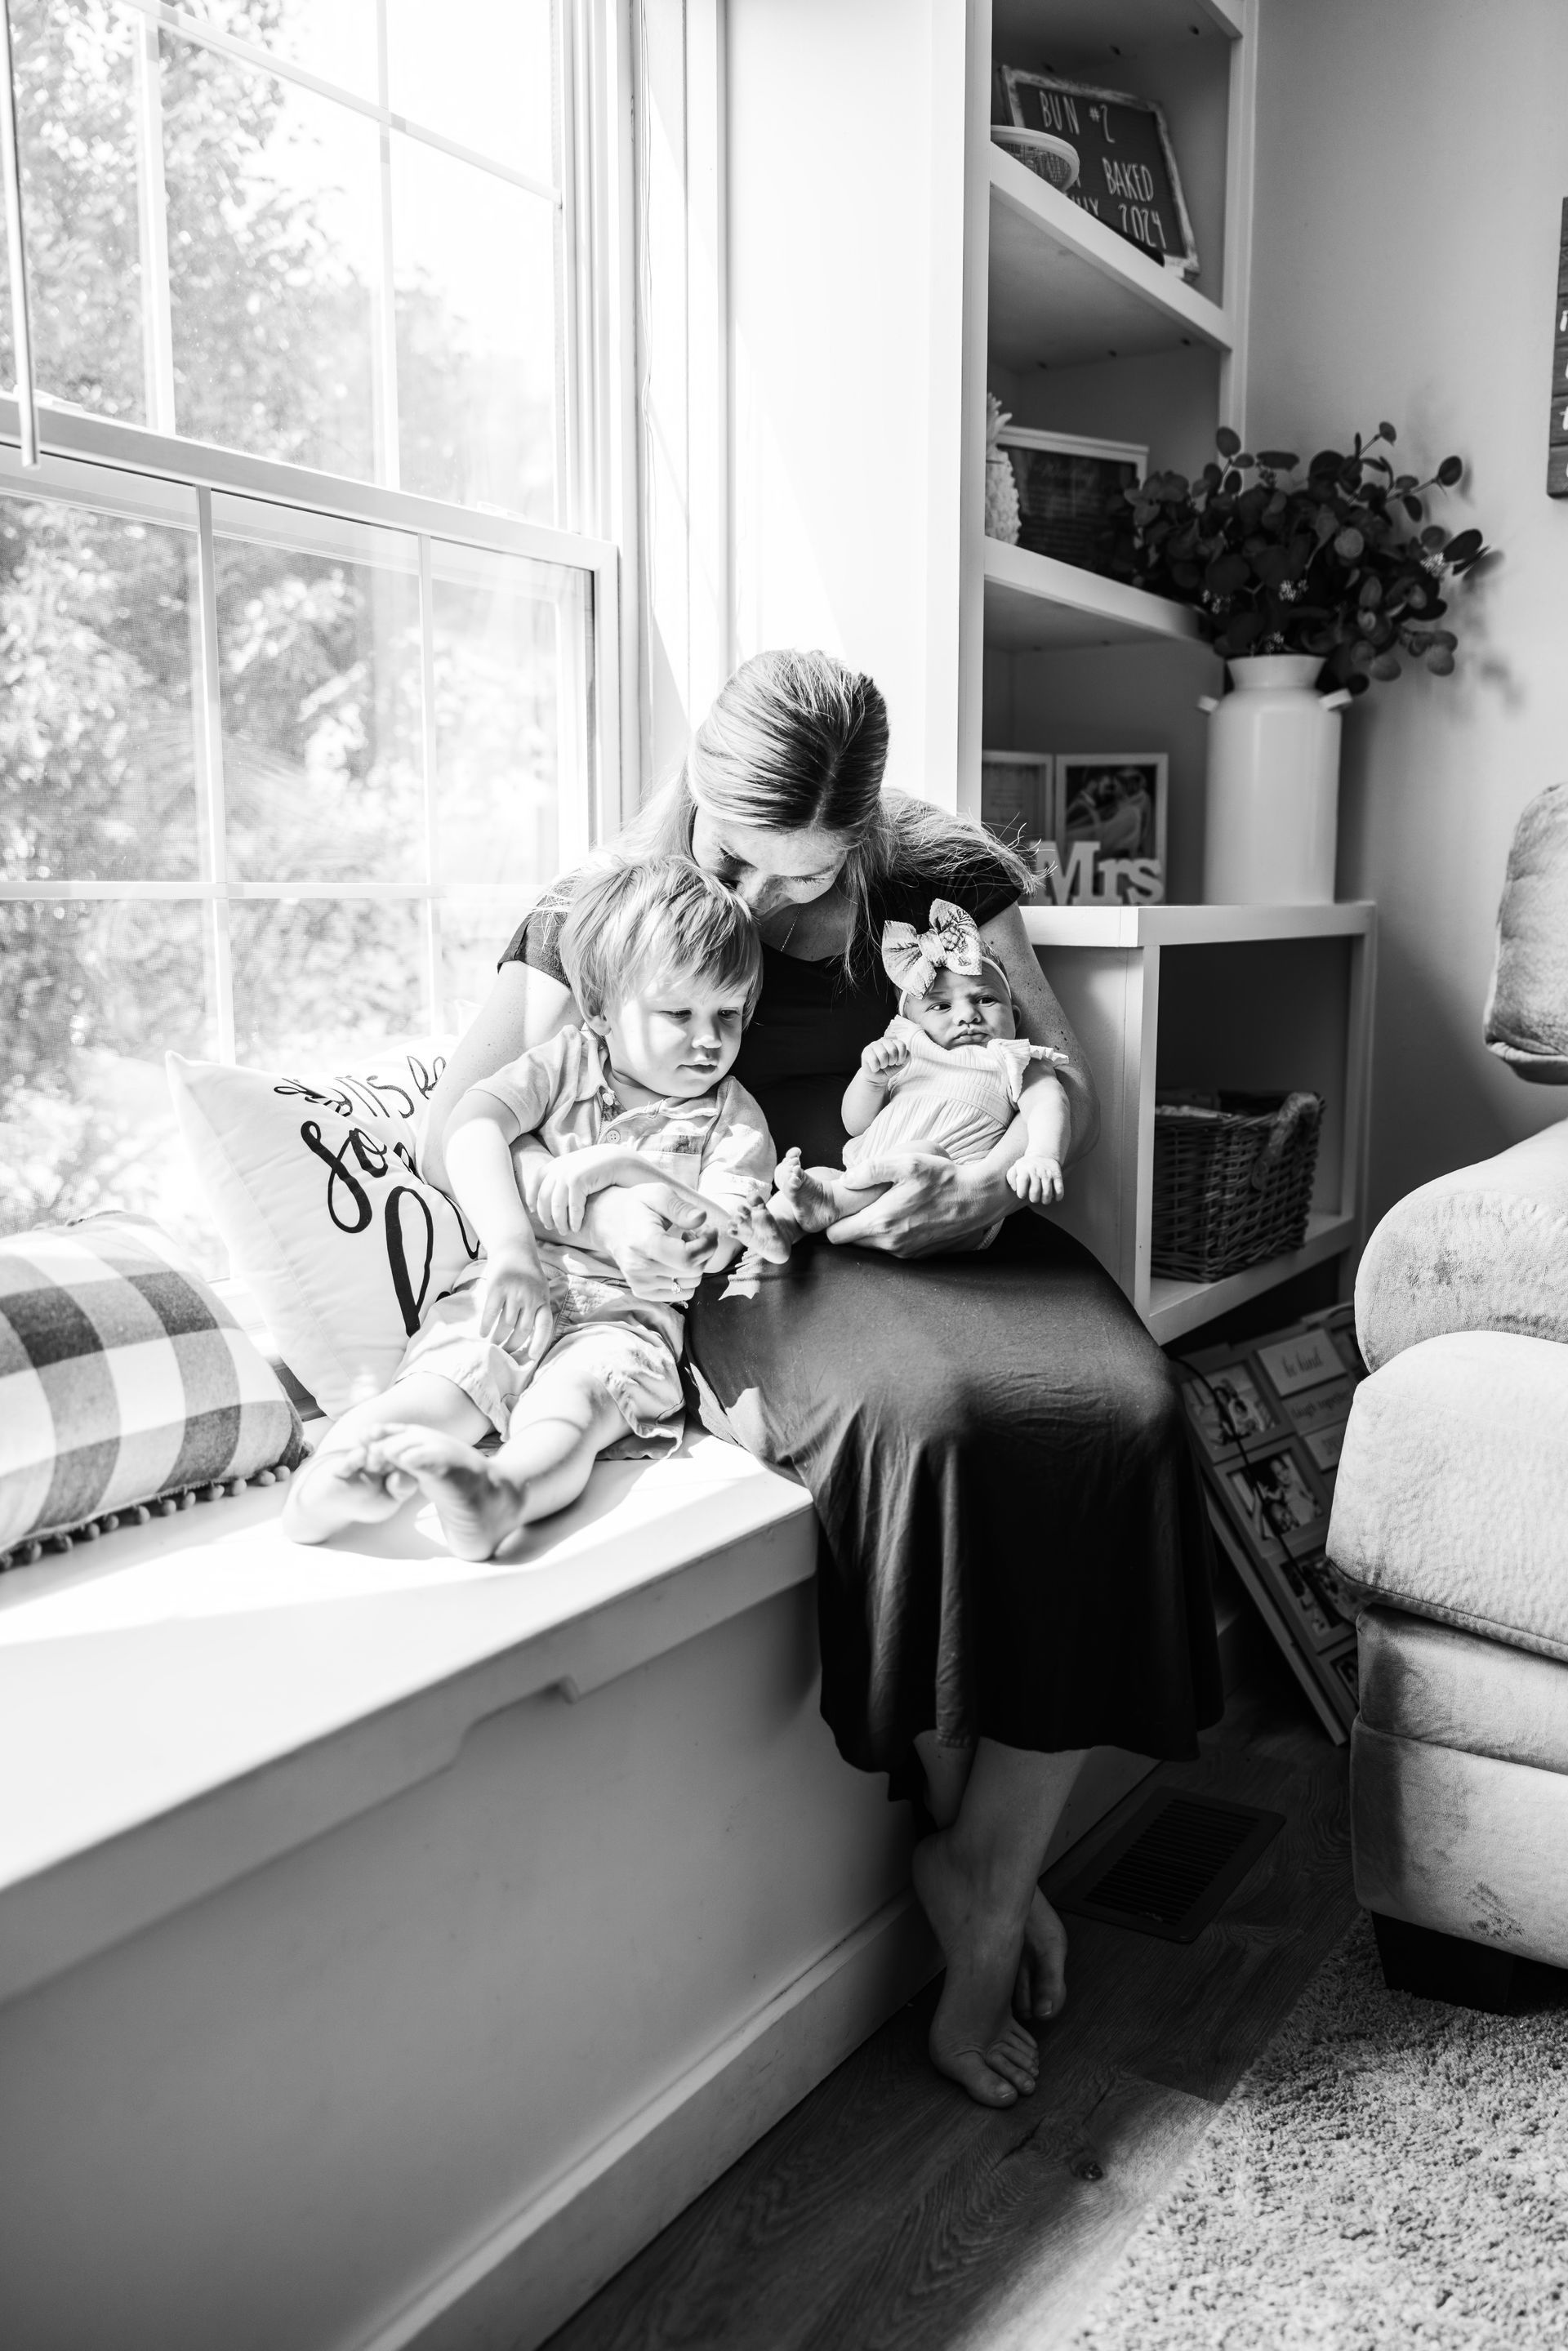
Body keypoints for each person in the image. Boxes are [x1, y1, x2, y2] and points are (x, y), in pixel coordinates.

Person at [422, 648, 1222, 2111]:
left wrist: (987, 1189)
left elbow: (1059, 1076)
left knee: (1127, 1414)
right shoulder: (617, 898)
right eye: (743, 861)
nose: (764, 900)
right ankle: (979, 1862)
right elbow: (460, 1122)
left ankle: (987, 1869)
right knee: (935, 1424)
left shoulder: (939, 875)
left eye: (809, 871)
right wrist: (603, 1204)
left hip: (946, 1224)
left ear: (864, 830)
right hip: (755, 1249)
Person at [283, 859, 784, 1561]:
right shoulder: (565, 1063)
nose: (709, 1039)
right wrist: (512, 1249)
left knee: (570, 1411)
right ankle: (331, 1479)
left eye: (727, 1014)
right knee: (439, 1386)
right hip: (511, 1291)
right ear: (602, 1011)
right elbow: (470, 1128)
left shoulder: (732, 1116)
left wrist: (624, 1168)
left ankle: (500, 1496)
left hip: (626, 1323)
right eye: (679, 1013)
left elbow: (726, 1232)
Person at [772, 894, 1071, 1242]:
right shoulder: (907, 1054)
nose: (967, 1015)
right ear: (910, 1024)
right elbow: (856, 1125)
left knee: (923, 1154)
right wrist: (871, 1080)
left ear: (1015, 1018)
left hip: (945, 1202)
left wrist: (1043, 1155)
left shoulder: (1011, 1057)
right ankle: (776, 1228)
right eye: (941, 1006)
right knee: (818, 1176)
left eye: (985, 999)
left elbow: (1050, 1103)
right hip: (861, 1180)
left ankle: (829, 1204)